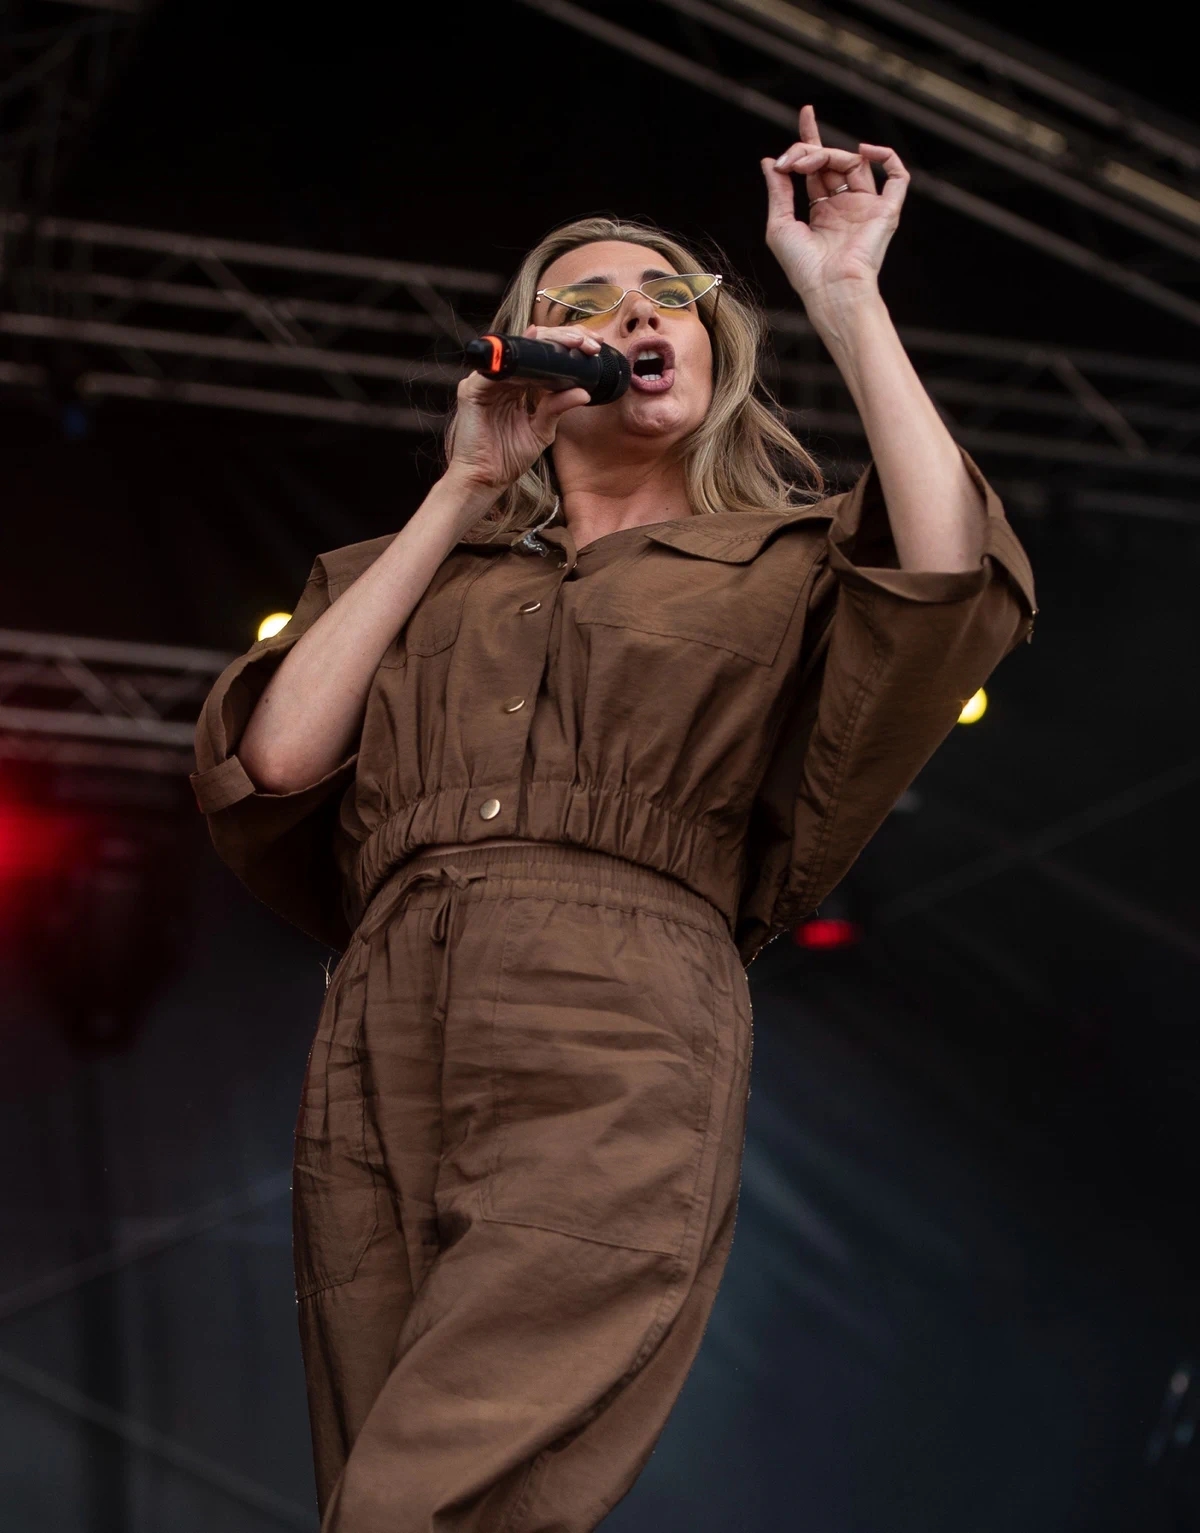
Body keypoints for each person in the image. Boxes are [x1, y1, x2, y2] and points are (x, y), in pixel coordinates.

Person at [192, 107, 1036, 1533]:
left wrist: (845, 293)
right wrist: (465, 485)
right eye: (582, 304)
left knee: (425, 1484)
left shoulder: (784, 559)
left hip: (621, 996)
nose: (634, 316)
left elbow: (948, 574)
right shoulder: (420, 567)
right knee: (397, 1463)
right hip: (389, 1003)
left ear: (714, 351)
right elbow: (276, 759)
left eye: (667, 297)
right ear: (534, 356)